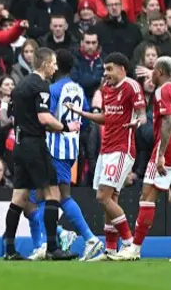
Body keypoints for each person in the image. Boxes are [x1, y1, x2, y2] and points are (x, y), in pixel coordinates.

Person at [66, 52, 145, 261]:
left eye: (110, 69)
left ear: (122, 69)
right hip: (106, 149)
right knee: (111, 199)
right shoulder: (107, 89)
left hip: (122, 150)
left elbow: (142, 114)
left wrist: (138, 121)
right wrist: (82, 113)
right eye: (105, 69)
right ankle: (111, 249)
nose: (106, 73)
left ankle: (129, 244)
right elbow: (106, 118)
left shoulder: (131, 86)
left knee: (103, 197)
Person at [22, 49, 100, 261]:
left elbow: (46, 118)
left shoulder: (53, 89)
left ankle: (83, 238)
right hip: (70, 148)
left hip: (54, 149)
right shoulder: (78, 88)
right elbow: (83, 119)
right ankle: (45, 243)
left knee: (36, 199)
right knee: (45, 197)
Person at [3, 47, 79, 261]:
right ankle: (53, 248)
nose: (56, 67)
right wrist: (66, 127)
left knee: (19, 197)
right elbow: (44, 118)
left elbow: (9, 116)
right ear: (45, 63)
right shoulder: (41, 85)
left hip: (19, 144)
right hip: (34, 145)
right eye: (54, 63)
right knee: (53, 193)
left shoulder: (20, 86)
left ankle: (9, 250)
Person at [126, 56, 171, 261]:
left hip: (167, 150)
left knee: (147, 197)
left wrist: (160, 155)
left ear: (160, 72)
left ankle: (134, 248)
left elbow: (168, 121)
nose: (152, 76)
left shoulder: (162, 91)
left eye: (154, 71)